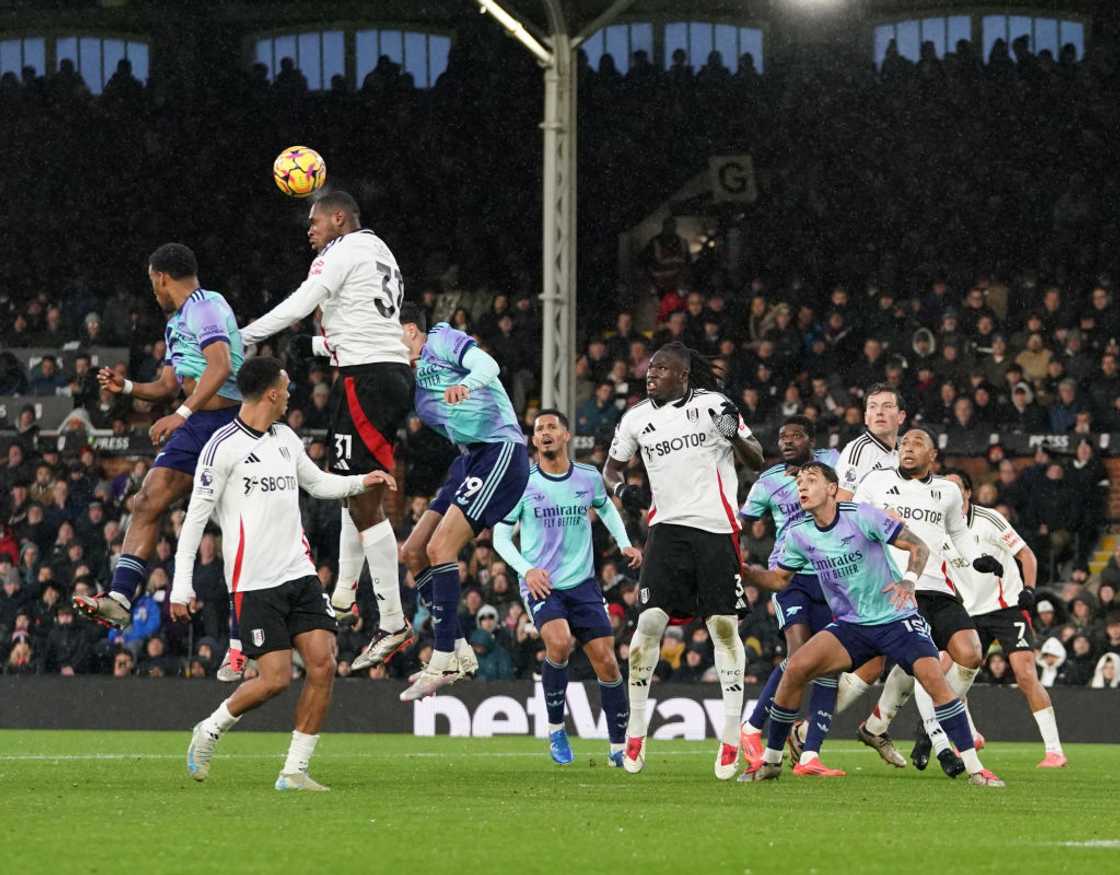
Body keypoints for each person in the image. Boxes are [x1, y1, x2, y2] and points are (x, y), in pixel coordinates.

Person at [171, 357, 395, 790]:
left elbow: (318, 484)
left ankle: (294, 770)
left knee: (324, 663)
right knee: (274, 680)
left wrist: (360, 481)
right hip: (254, 583)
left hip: (300, 573)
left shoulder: (286, 438)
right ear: (271, 392)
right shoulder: (222, 447)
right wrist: (182, 585)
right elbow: (194, 521)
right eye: (286, 386)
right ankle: (212, 727)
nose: (291, 392)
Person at [740, 463, 1004, 787]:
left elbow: (917, 546)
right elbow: (780, 579)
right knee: (795, 668)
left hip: (897, 618)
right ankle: (770, 761)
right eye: (799, 483)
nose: (802, 488)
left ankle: (976, 769)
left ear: (833, 488)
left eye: (811, 480)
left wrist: (909, 581)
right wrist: (748, 572)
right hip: (853, 625)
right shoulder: (799, 534)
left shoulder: (862, 515)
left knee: (934, 679)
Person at [239, 191, 415, 675]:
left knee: (362, 499)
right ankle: (341, 598)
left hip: (367, 381)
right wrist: (315, 346)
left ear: (340, 217)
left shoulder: (342, 251)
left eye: (315, 220)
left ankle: (393, 621)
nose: (309, 230)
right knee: (350, 489)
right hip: (382, 375)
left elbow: (301, 302)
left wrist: (243, 336)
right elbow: (365, 324)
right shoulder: (379, 251)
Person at [603, 341, 764, 780]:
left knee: (723, 628)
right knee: (647, 628)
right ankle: (636, 730)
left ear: (683, 375)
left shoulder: (715, 405)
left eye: (661, 368)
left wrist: (733, 434)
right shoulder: (636, 418)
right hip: (667, 530)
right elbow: (610, 471)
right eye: (650, 369)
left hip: (715, 528)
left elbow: (756, 459)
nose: (651, 374)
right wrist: (622, 492)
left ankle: (730, 738)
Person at [73, 244, 244, 646]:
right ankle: (119, 598)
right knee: (147, 499)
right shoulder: (176, 322)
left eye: (153, 282)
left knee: (239, 527)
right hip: (196, 420)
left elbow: (219, 367)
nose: (153, 290)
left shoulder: (206, 307)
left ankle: (245, 636)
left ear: (162, 277)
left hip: (230, 422)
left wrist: (180, 414)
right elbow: (169, 384)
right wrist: (128, 387)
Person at [396, 304, 530, 701]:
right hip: (468, 459)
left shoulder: (441, 339)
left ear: (410, 330)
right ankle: (458, 647)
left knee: (441, 548)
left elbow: (488, 365)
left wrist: (467, 386)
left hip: (499, 449)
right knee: (414, 552)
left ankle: (441, 657)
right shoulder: (411, 375)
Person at [493, 410, 641, 766]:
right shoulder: (522, 483)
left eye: (551, 427)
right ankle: (557, 728)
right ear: (533, 441)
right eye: (538, 429)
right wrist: (527, 571)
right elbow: (499, 536)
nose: (544, 433)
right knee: (559, 643)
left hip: (583, 583)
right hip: (544, 584)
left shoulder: (588, 477)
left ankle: (618, 748)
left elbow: (605, 509)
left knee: (607, 661)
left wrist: (624, 543)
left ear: (566, 436)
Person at [853, 427, 1004, 778]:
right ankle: (939, 732)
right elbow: (856, 522)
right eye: (904, 442)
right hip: (899, 587)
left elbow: (958, 533)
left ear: (933, 455)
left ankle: (897, 723)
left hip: (941, 587)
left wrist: (976, 556)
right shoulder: (875, 482)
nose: (907, 447)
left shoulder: (948, 491)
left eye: (917, 443)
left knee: (970, 654)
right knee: (918, 665)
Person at [738, 415, 845, 777]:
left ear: (811, 440)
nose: (787, 442)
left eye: (796, 436)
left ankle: (810, 756)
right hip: (791, 575)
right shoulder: (767, 482)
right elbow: (743, 524)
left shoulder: (834, 462)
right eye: (782, 437)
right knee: (799, 656)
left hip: (833, 576)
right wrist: (742, 565)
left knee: (830, 665)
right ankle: (753, 727)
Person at [941, 469, 1067, 768]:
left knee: (1024, 674)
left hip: (1006, 606)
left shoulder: (988, 519)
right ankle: (970, 735)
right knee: (952, 676)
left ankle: (1054, 751)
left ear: (968, 493)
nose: (951, 494)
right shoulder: (937, 527)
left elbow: (1027, 555)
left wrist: (1029, 590)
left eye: (957, 488)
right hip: (970, 610)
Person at [827, 383, 907, 726]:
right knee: (897, 646)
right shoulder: (859, 451)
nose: (878, 412)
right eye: (872, 406)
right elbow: (841, 505)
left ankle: (812, 727)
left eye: (887, 406)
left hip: (892, 559)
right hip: (864, 562)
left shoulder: (903, 451)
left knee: (877, 656)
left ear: (901, 416)